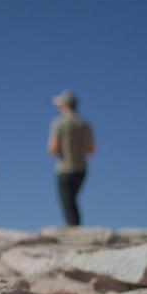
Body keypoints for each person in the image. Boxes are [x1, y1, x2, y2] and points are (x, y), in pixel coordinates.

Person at [47, 90, 95, 226]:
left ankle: (74, 231)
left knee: (67, 202)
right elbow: (91, 149)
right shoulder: (85, 124)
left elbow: (53, 148)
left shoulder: (58, 123)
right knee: (73, 200)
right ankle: (75, 227)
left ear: (64, 105)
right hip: (82, 168)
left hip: (64, 168)